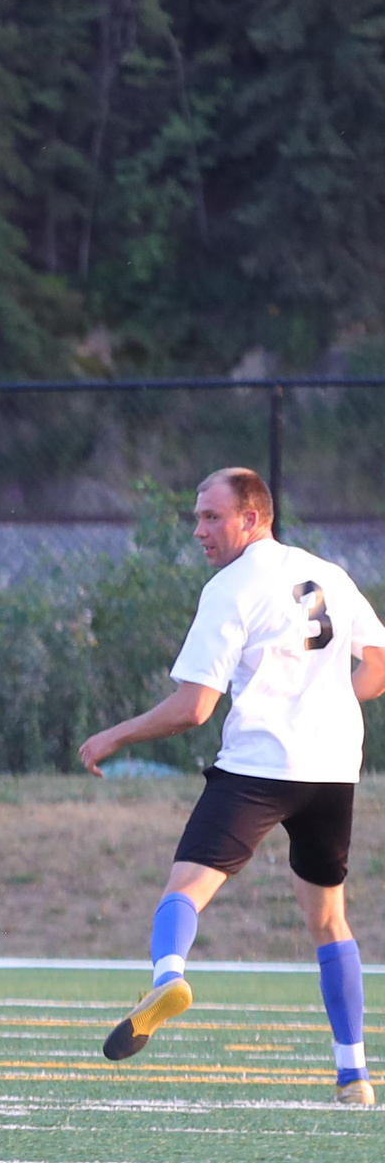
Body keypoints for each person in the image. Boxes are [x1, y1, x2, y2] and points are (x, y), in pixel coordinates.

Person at [79, 467, 384, 1105]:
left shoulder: (233, 588)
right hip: (332, 772)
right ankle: (354, 1075)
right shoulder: (329, 573)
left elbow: (194, 708)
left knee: (183, 892)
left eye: (212, 517)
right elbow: (378, 667)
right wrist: (327, 705)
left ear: (253, 518)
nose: (199, 530)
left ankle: (169, 976)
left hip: (259, 769)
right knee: (330, 921)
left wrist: (114, 736)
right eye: (197, 518)